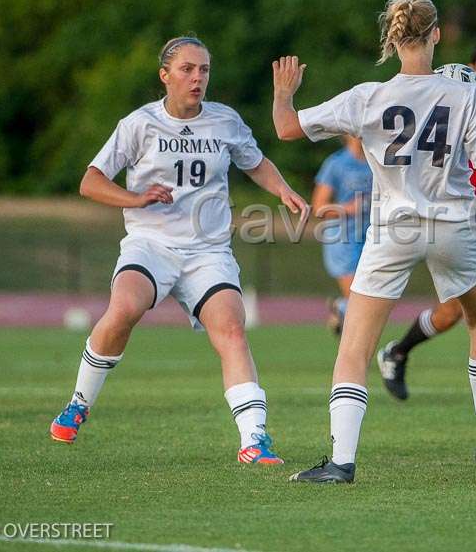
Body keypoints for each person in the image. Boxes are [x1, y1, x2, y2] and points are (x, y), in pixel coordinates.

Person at [271, 0, 476, 484]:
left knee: (355, 346)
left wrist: (284, 92)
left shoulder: (368, 96)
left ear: (392, 38)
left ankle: (341, 461)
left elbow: (287, 128)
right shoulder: (467, 95)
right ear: (437, 34)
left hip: (393, 230)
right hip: (455, 227)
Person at [49, 36, 308, 465]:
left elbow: (255, 161)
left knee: (231, 329)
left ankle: (254, 439)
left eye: (204, 69)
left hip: (208, 252)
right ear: (164, 75)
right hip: (151, 244)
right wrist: (136, 199)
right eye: (187, 69)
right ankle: (79, 403)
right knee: (125, 307)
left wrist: (283, 190)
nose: (197, 78)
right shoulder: (140, 123)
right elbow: (90, 181)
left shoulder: (225, 121)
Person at [376, 40, 476, 407]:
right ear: (471, 70)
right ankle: (398, 352)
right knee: (454, 311)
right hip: (458, 214)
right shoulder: (455, 106)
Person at [312, 135, 373, 337]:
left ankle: (340, 308)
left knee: (372, 296)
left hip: (373, 237)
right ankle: (356, 354)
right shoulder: (336, 163)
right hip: (343, 238)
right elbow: (319, 208)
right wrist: (348, 208)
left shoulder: (378, 159)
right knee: (360, 301)